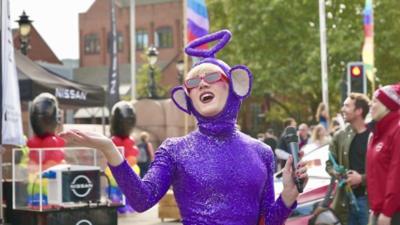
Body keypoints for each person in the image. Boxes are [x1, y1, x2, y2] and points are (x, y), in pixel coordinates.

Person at [60, 30, 308, 225]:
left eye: (212, 78)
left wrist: (288, 195)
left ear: (234, 87)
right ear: (188, 99)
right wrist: (110, 149)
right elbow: (141, 199)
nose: (201, 85)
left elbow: (267, 221)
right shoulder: (175, 150)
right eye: (193, 82)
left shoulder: (261, 152)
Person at [326, 93, 370, 225]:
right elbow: (329, 163)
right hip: (346, 202)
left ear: (359, 111)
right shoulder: (340, 136)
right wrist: (336, 171)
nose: (342, 109)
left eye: (347, 106)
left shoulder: (374, 134)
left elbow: (386, 172)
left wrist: (361, 179)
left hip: (369, 202)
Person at [366, 83, 400, 225]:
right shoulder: (376, 133)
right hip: (378, 212)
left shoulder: (397, 131)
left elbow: (397, 175)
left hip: (393, 214)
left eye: (375, 101)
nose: (371, 105)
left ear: (388, 105)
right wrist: (374, 210)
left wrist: (387, 212)